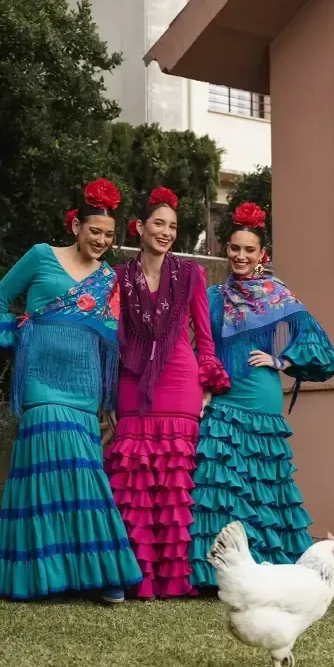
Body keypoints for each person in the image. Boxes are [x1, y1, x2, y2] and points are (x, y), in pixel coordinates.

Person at [0, 179, 142, 602]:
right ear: (77, 225)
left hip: (83, 387)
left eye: (108, 235)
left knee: (84, 476)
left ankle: (100, 576)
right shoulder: (42, 256)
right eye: (94, 230)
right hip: (41, 381)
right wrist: (23, 332)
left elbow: (110, 343)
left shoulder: (109, 280)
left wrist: (109, 401)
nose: (100, 240)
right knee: (43, 477)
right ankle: (43, 577)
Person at [189, 202, 334, 589]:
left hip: (261, 399)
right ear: (226, 250)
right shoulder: (211, 296)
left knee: (259, 486)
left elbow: (318, 343)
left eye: (249, 250)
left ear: (263, 255)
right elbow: (197, 349)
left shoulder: (277, 294)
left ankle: (266, 573)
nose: (241, 256)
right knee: (217, 484)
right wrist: (201, 386)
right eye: (235, 248)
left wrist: (282, 360)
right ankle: (213, 575)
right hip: (222, 399)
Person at [104, 187, 229, 599]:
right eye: (159, 223)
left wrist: (208, 379)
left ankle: (175, 580)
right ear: (140, 227)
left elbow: (204, 337)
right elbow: (109, 331)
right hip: (132, 377)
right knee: (133, 479)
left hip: (179, 377)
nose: (166, 232)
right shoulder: (118, 276)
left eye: (173, 226)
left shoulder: (191, 274)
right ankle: (133, 575)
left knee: (176, 482)